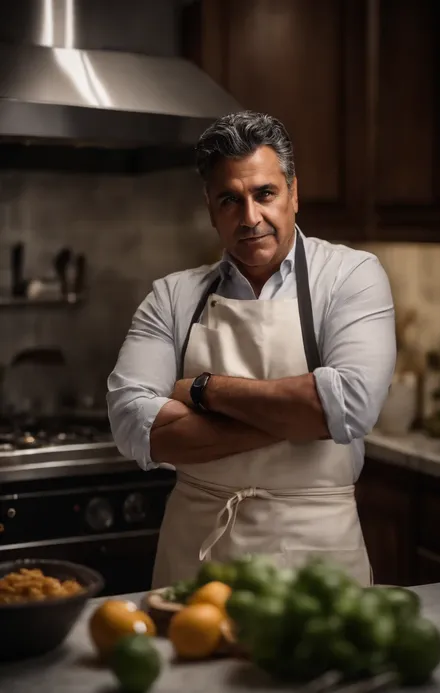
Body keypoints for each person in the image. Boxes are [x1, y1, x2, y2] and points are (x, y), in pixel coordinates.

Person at [107, 110, 396, 589]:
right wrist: (297, 416)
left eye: (265, 194)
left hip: (318, 565)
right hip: (198, 561)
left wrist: (203, 391)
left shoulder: (350, 276)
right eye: (230, 200)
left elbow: (351, 405)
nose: (250, 217)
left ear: (293, 193)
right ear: (210, 208)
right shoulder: (172, 297)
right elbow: (132, 424)